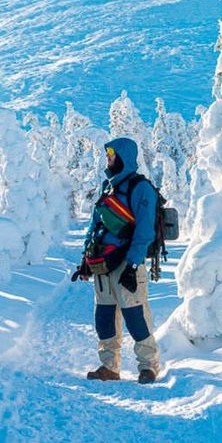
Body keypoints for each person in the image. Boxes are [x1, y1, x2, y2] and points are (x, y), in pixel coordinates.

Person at [71, 136, 160, 383]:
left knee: (135, 315)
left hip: (126, 262)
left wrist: (132, 265)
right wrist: (85, 258)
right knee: (105, 316)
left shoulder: (141, 188)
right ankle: (109, 366)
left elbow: (144, 231)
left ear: (123, 156)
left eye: (111, 154)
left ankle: (149, 366)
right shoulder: (107, 187)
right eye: (107, 155)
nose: (107, 159)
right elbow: (95, 224)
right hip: (102, 262)